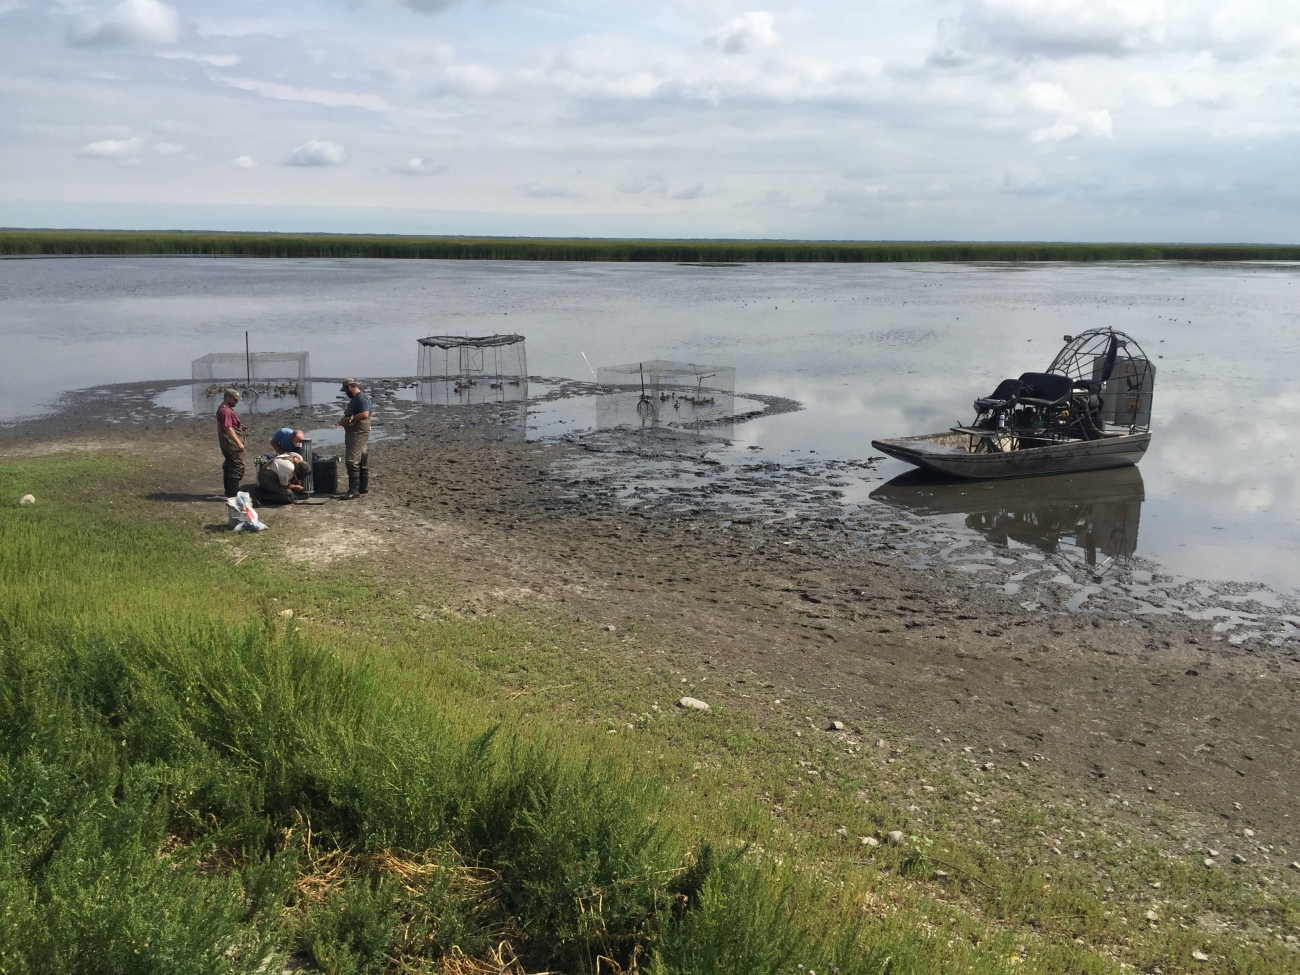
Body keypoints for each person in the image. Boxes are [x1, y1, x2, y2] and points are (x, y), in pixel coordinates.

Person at [335, 378, 371, 499]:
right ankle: (362, 488)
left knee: (352, 460)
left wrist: (349, 419)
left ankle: (354, 490)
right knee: (362, 456)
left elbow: (365, 414)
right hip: (355, 432)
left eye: (345, 390)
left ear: (349, 387)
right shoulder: (356, 399)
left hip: (358, 433)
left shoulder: (361, 398)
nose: (346, 393)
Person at [216, 388, 248, 497]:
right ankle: (233, 494)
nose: (236, 402)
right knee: (237, 468)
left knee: (229, 466)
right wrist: (239, 443)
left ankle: (229, 492)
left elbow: (231, 424)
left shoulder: (227, 409)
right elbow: (228, 428)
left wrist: (242, 428)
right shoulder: (225, 411)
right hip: (231, 445)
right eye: (235, 399)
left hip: (229, 444)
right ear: (227, 397)